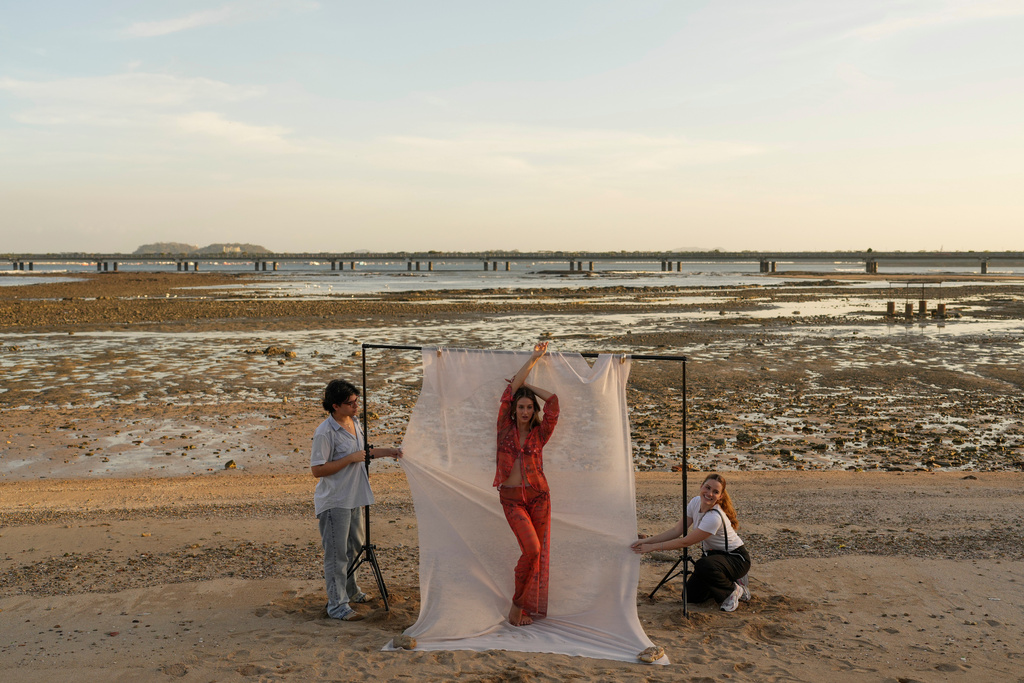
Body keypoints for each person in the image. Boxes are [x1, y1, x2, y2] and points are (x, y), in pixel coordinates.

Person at [310, 379, 402, 621]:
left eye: (356, 401)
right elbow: (317, 470)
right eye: (351, 403)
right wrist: (350, 458)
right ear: (335, 405)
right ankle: (337, 605)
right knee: (337, 555)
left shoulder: (355, 422)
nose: (356, 406)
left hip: (355, 497)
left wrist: (390, 452)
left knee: (355, 548)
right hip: (335, 501)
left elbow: (363, 453)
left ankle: (352, 591)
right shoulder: (325, 432)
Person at [494, 342, 559, 626]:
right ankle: (516, 605)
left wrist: (528, 387)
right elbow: (509, 392)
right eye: (520, 406)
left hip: (539, 497)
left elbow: (554, 403)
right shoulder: (503, 428)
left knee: (537, 556)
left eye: (529, 407)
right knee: (531, 550)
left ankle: (527, 608)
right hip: (512, 500)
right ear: (514, 410)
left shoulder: (540, 433)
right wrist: (533, 358)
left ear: (534, 410)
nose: (524, 411)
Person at [631, 473, 751, 612]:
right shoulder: (695, 502)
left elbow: (685, 542)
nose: (709, 493)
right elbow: (677, 531)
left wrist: (652, 547)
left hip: (736, 559)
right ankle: (728, 581)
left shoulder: (714, 517)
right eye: (707, 488)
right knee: (690, 596)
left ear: (720, 496)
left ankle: (733, 589)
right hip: (714, 557)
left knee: (703, 565)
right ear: (701, 486)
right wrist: (646, 541)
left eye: (715, 492)